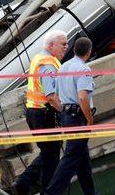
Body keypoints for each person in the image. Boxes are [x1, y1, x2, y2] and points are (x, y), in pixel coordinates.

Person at [11, 30, 69, 195]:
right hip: (44, 114)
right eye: (63, 44)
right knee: (51, 158)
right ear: (51, 45)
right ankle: (42, 190)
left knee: (48, 153)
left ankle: (23, 184)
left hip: (35, 112)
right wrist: (65, 113)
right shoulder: (48, 65)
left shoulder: (39, 58)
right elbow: (51, 97)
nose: (67, 47)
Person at [44, 37, 97, 195]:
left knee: (82, 159)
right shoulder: (83, 69)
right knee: (71, 157)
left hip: (66, 115)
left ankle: (90, 192)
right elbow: (82, 97)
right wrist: (89, 118)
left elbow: (59, 94)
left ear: (74, 50)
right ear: (88, 52)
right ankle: (51, 193)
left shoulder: (63, 67)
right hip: (77, 117)